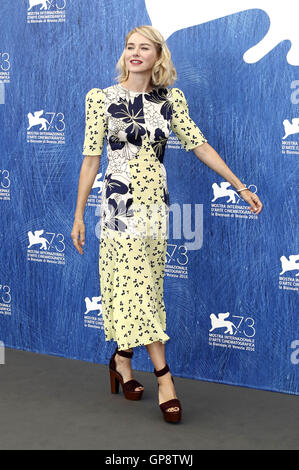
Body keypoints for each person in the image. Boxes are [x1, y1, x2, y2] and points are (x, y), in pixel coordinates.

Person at [71, 25, 263, 424]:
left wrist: (240, 186)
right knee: (136, 285)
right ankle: (164, 378)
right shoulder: (101, 99)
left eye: (144, 47)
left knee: (147, 286)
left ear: (158, 56)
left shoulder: (170, 100)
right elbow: (91, 158)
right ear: (123, 54)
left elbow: (199, 144)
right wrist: (77, 216)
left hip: (155, 206)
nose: (135, 53)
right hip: (118, 207)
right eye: (129, 47)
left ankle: (122, 360)